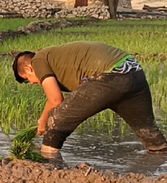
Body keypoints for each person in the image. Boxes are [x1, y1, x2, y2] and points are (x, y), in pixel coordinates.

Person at [13, 41, 167, 157]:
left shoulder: (38, 60)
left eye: (27, 79)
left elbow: (55, 100)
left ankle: (47, 166)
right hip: (134, 71)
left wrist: (43, 120)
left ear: (28, 68)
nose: (33, 83)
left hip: (110, 75)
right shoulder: (56, 58)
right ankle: (160, 172)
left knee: (57, 120)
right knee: (151, 135)